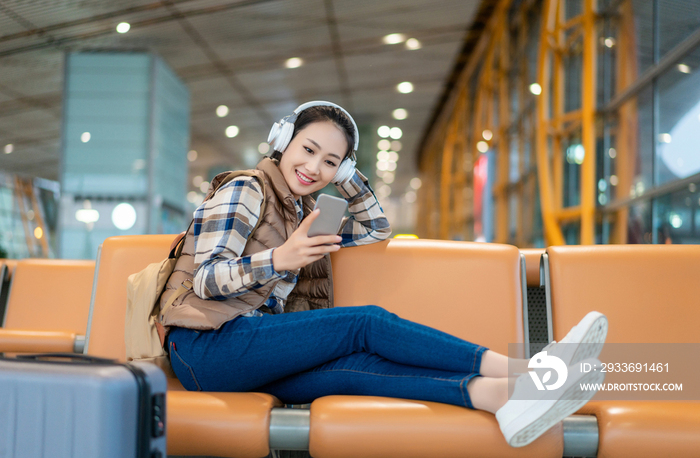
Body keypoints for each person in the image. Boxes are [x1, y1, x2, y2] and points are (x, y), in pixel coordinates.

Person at [162, 101, 607, 448]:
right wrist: (280, 257)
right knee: (364, 323)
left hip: (245, 352)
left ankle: (501, 399)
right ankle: (526, 369)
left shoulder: (305, 212)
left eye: (332, 162)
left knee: (355, 369)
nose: (315, 168)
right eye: (308, 150)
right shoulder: (246, 189)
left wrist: (350, 179)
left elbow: (377, 228)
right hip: (207, 346)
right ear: (283, 140)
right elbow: (206, 278)